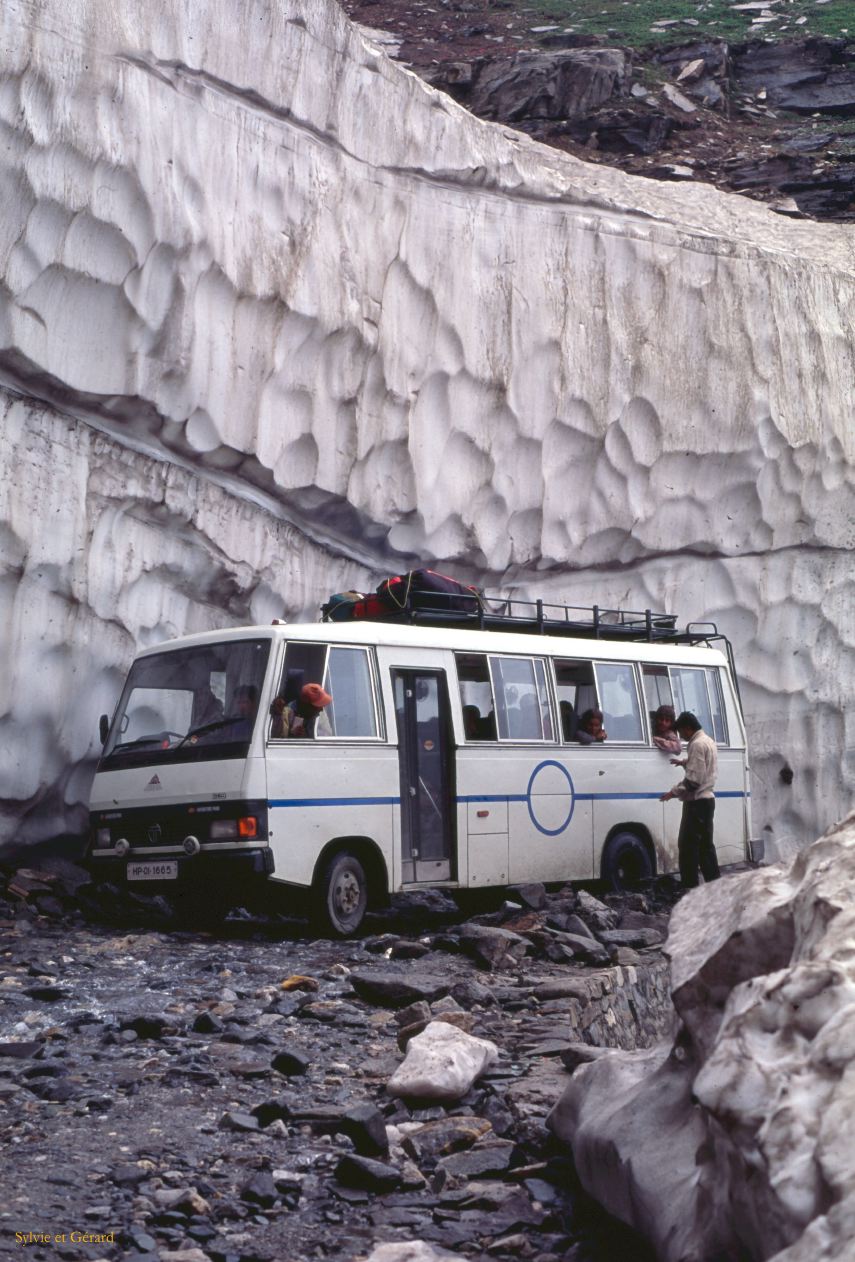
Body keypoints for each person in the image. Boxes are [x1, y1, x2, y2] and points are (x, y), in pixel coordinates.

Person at [660, 710, 720, 888]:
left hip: (696, 802)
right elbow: (703, 764)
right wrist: (684, 762)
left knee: (687, 846)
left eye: (682, 732)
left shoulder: (696, 745)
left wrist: (673, 792)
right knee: (706, 846)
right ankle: (714, 886)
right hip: (708, 801)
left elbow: (694, 781)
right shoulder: (708, 741)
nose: (682, 737)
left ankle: (690, 887)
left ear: (688, 728)